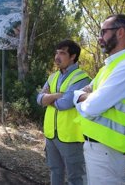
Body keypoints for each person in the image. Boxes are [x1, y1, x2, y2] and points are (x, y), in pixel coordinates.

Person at [73, 14, 125, 184]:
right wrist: (82, 96)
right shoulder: (111, 66)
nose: (99, 38)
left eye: (103, 32)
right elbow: (83, 93)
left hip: (108, 149)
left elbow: (92, 106)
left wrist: (81, 97)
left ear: (121, 32)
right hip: (100, 147)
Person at [37, 39, 91, 185]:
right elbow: (39, 99)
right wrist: (57, 95)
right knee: (55, 171)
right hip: (51, 135)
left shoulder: (81, 78)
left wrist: (49, 98)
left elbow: (65, 104)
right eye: (56, 53)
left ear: (73, 56)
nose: (57, 57)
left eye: (62, 53)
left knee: (75, 178)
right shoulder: (53, 76)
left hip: (71, 137)